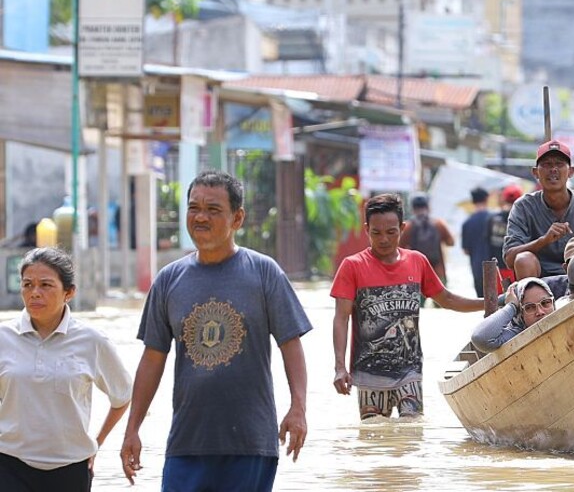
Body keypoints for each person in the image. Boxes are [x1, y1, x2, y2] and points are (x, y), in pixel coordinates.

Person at [121, 170, 312, 489]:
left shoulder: (264, 273)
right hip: (186, 442)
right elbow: (153, 358)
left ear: (237, 218)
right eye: (194, 208)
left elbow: (290, 344)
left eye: (213, 210)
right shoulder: (168, 280)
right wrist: (132, 428)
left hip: (250, 443)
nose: (201, 217)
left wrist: (298, 408)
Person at [332, 193, 485, 420]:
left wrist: (492, 303)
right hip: (369, 374)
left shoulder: (417, 261)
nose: (384, 239)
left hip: (409, 372)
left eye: (391, 232)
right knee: (375, 438)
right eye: (376, 233)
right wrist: (339, 367)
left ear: (403, 228)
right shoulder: (352, 266)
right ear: (366, 229)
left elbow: (448, 300)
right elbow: (341, 318)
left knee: (411, 433)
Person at [0, 247, 132, 491]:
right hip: (8, 465)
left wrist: (96, 443)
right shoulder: (3, 338)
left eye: (46, 285)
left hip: (71, 468)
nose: (34, 293)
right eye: (28, 285)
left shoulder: (92, 341)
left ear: (69, 292)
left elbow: (122, 395)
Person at [504, 140, 574, 281]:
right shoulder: (523, 207)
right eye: (546, 164)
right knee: (523, 259)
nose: (553, 169)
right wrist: (543, 241)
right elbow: (510, 258)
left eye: (559, 164)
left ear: (571, 171)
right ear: (535, 172)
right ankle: (529, 301)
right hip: (540, 285)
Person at [471, 278, 555, 353]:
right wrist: (512, 306)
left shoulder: (564, 311)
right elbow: (480, 337)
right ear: (520, 314)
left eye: (545, 303)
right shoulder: (518, 333)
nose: (540, 312)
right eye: (529, 307)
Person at [399, 193, 455, 286]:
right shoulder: (439, 224)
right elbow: (451, 242)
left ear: (413, 208)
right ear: (428, 207)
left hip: (416, 273)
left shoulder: (408, 226)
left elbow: (400, 248)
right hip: (438, 271)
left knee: (417, 300)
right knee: (442, 300)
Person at [460, 187, 494, 297]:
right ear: (486, 199)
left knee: (482, 302)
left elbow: (465, 250)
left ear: (473, 201)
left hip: (477, 267)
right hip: (495, 266)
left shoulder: (467, 223)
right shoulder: (494, 219)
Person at [488, 185, 523, 285]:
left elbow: (487, 242)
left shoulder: (493, 218)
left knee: (499, 299)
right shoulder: (521, 218)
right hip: (516, 266)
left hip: (497, 267)